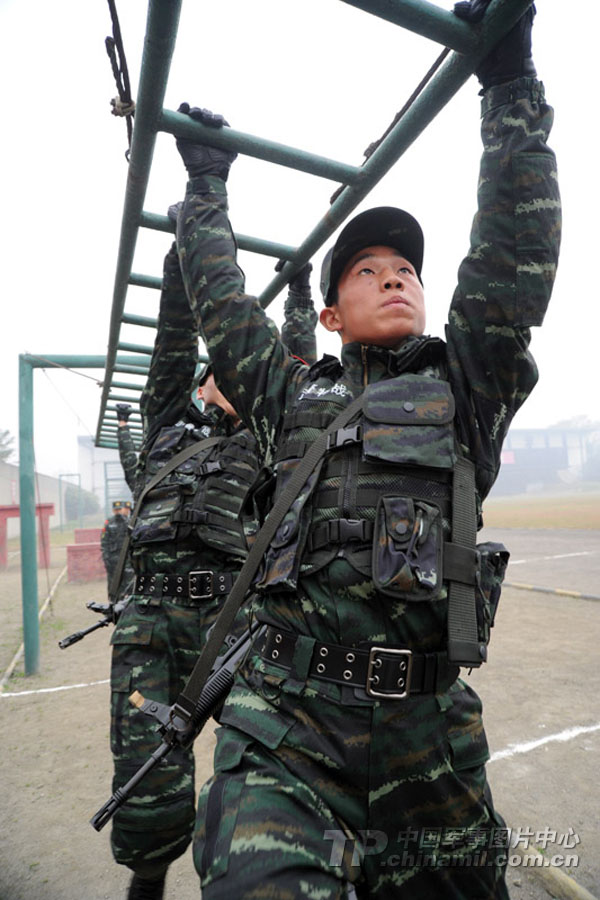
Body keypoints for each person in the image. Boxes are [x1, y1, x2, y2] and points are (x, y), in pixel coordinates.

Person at [173, 2, 561, 897]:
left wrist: (508, 83)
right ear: (332, 314)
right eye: (366, 269)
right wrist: (207, 189)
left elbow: (513, 253)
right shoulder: (290, 396)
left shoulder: (465, 389)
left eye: (407, 270)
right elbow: (226, 312)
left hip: (432, 739)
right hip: (288, 727)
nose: (393, 275)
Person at [108, 225, 317, 900]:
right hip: (149, 627)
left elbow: (294, 372)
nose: (232, 376)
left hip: (234, 619)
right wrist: (177, 268)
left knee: (260, 766)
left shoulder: (268, 437)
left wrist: (301, 299)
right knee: (147, 773)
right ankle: (149, 880)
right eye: (218, 373)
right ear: (203, 389)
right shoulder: (167, 430)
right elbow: (169, 355)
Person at [100, 499, 134, 602]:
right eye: (116, 510)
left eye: (121, 509)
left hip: (127, 560)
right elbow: (104, 542)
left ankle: (127, 605)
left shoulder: (130, 522)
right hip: (113, 560)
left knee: (129, 583)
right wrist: (106, 558)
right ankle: (113, 605)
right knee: (113, 584)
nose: (119, 512)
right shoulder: (109, 523)